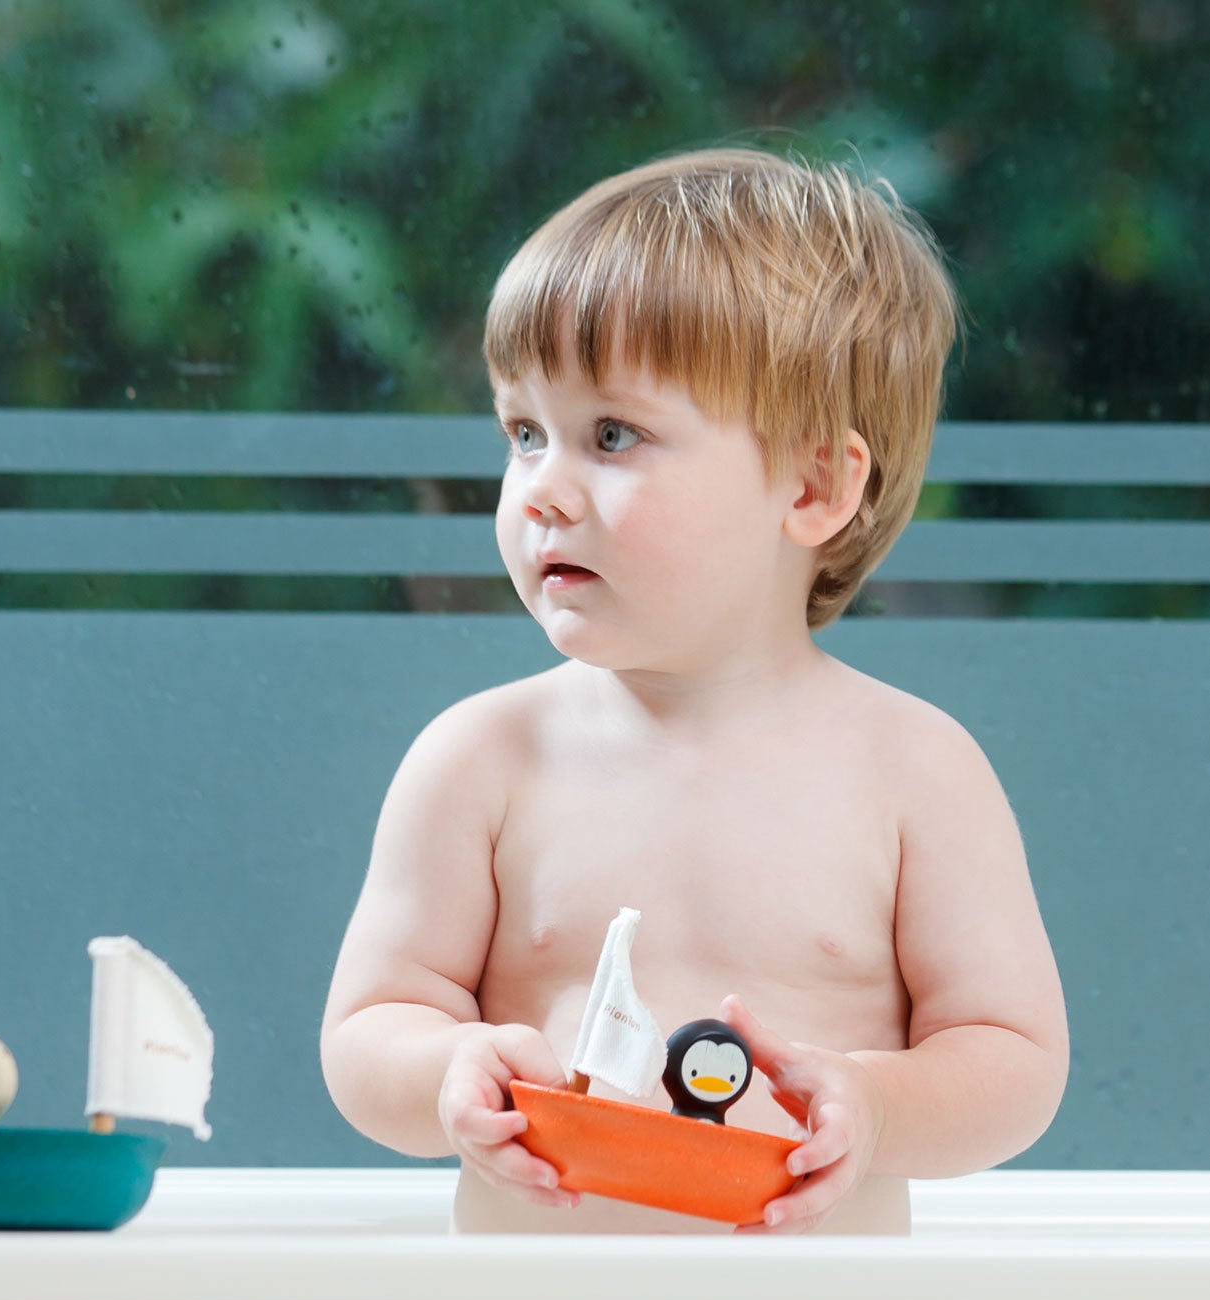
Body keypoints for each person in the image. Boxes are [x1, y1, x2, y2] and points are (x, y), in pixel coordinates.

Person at [320, 147, 1069, 1235]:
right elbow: (369, 1026)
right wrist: (447, 1068)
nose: (540, 491)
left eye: (611, 435)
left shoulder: (911, 771)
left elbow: (1011, 1061)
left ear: (812, 485)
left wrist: (876, 1103)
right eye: (523, 434)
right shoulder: (481, 760)